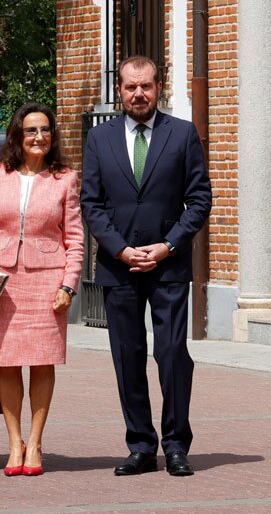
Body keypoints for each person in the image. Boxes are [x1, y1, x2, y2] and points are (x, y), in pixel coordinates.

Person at [81, 55, 211, 477]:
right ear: (119, 89)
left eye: (146, 86)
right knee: (128, 356)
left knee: (172, 354)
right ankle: (140, 445)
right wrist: (119, 249)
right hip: (119, 269)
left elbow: (200, 199)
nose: (138, 94)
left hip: (168, 266)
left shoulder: (183, 134)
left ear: (160, 87)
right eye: (130, 86)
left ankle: (176, 445)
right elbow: (91, 204)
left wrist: (169, 246)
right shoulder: (100, 140)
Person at [0, 103, 84, 476]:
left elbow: (75, 238)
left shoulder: (65, 178)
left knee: (43, 362)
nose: (39, 137)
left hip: (47, 280)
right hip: (3, 283)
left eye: (45, 130)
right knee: (6, 365)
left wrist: (68, 284)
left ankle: (36, 442)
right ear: (17, 135)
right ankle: (14, 444)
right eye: (31, 130)